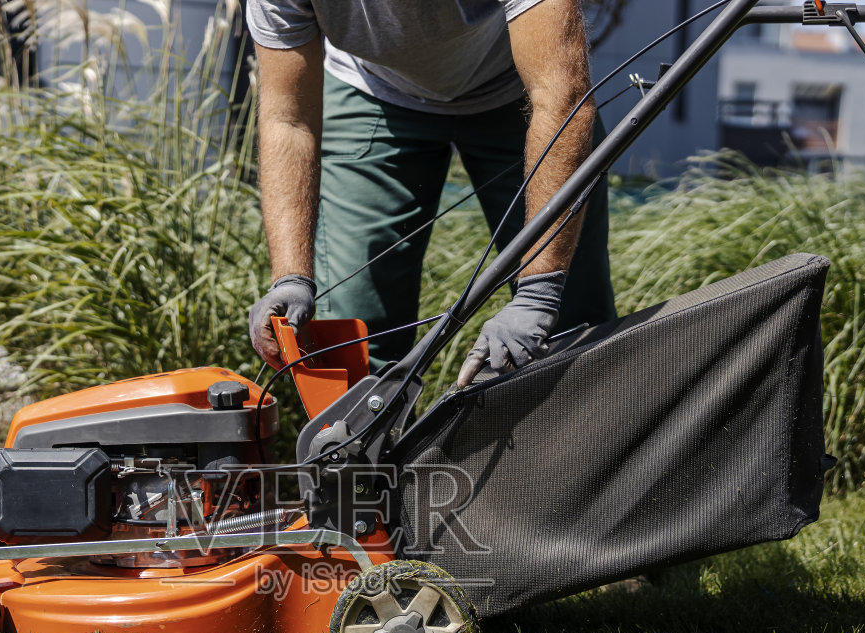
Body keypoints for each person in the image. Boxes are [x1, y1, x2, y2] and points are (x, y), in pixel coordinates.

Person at [244, 0, 617, 386]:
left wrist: (540, 293)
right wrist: (290, 278)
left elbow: (561, 97)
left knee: (570, 325)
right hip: (374, 91)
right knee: (357, 341)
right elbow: (287, 120)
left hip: (519, 88)